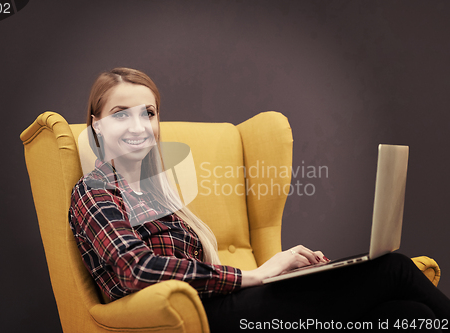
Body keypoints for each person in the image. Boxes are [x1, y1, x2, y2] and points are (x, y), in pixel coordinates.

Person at [69, 67, 450, 332]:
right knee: (394, 270)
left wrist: (283, 271)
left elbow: (200, 269)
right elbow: (133, 269)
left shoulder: (158, 193)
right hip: (202, 319)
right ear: (96, 126)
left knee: (406, 313)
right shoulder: (95, 191)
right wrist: (255, 275)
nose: (138, 126)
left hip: (226, 306)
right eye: (121, 114)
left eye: (148, 113)